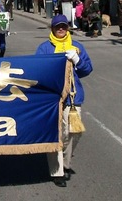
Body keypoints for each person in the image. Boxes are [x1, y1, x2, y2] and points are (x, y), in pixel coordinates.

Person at [35, 15, 93, 187]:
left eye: (64, 27)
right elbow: (38, 71)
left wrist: (77, 60)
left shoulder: (77, 47)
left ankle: (66, 163)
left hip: (73, 97)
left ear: (68, 28)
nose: (61, 29)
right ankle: (57, 171)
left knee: (74, 133)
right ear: (52, 29)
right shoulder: (44, 48)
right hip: (52, 99)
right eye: (57, 27)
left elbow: (87, 69)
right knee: (57, 134)